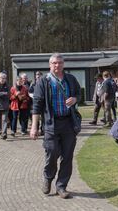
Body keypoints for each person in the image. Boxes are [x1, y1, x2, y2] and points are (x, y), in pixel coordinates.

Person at [30, 53, 81, 199]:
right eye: (54, 63)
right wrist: (34, 127)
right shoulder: (43, 81)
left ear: (63, 64)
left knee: (67, 156)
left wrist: (75, 99)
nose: (56, 65)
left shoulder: (70, 79)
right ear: (49, 65)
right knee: (51, 153)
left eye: (59, 63)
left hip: (68, 123)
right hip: (51, 124)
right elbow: (37, 105)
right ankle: (48, 177)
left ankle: (61, 186)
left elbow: (79, 93)